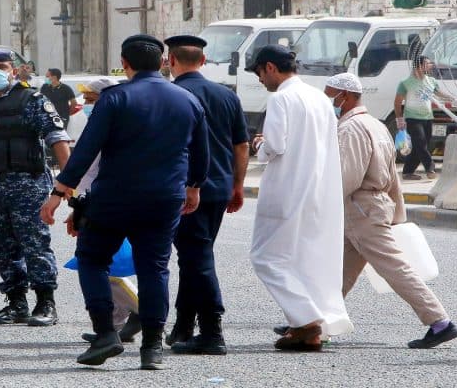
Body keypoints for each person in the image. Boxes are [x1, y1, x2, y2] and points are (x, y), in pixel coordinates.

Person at [42, 35, 209, 371]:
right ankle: (152, 348)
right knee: (155, 268)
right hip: (164, 197)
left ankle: (106, 333)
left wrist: (60, 192)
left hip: (115, 197)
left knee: (92, 259)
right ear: (163, 61)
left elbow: (87, 149)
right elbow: (201, 151)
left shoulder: (115, 98)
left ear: (125, 62)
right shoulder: (186, 99)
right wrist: (193, 188)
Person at [326, 73, 457, 349]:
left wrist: (321, 204)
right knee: (338, 272)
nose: (329, 101)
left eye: (331, 95)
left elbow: (347, 177)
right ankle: (316, 322)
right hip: (369, 207)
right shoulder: (374, 124)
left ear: (347, 97)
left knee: (395, 268)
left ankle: (440, 322)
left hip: (360, 208)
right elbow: (393, 174)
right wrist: (396, 211)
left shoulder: (351, 129)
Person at [247, 44, 353, 351]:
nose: (260, 81)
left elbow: (275, 145)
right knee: (306, 260)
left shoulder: (281, 98)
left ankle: (308, 320)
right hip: (319, 189)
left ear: (269, 67)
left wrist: (259, 146)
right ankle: (305, 329)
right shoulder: (320, 98)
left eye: (259, 73)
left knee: (266, 257)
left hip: (287, 189)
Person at [0, 49, 71, 328]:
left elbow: (58, 139)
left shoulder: (32, 99)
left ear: (14, 70)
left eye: (1, 66)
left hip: (28, 183)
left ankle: (45, 302)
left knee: (34, 243)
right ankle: (16, 302)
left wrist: (68, 183)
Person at [164, 35, 249, 356]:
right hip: (218, 188)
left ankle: (212, 331)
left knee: (196, 258)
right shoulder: (225, 95)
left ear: (171, 61)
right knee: (194, 255)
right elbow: (241, 145)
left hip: (186, 190)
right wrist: (237, 185)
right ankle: (184, 325)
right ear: (203, 61)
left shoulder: (174, 94)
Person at [66, 77, 142, 345]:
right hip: (93, 202)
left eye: (90, 100)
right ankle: (116, 322)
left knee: (101, 266)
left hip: (102, 205)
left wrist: (78, 206)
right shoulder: (99, 123)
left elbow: (90, 172)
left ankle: (140, 310)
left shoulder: (108, 127)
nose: (85, 105)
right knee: (106, 266)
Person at [395, 56, 452, 181]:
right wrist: (399, 119)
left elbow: (439, 93)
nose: (430, 65)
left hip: (428, 118)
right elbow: (397, 102)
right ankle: (430, 168)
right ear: (418, 66)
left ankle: (408, 172)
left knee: (419, 146)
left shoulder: (431, 81)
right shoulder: (405, 83)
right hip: (412, 118)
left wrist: (452, 99)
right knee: (420, 143)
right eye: (427, 63)